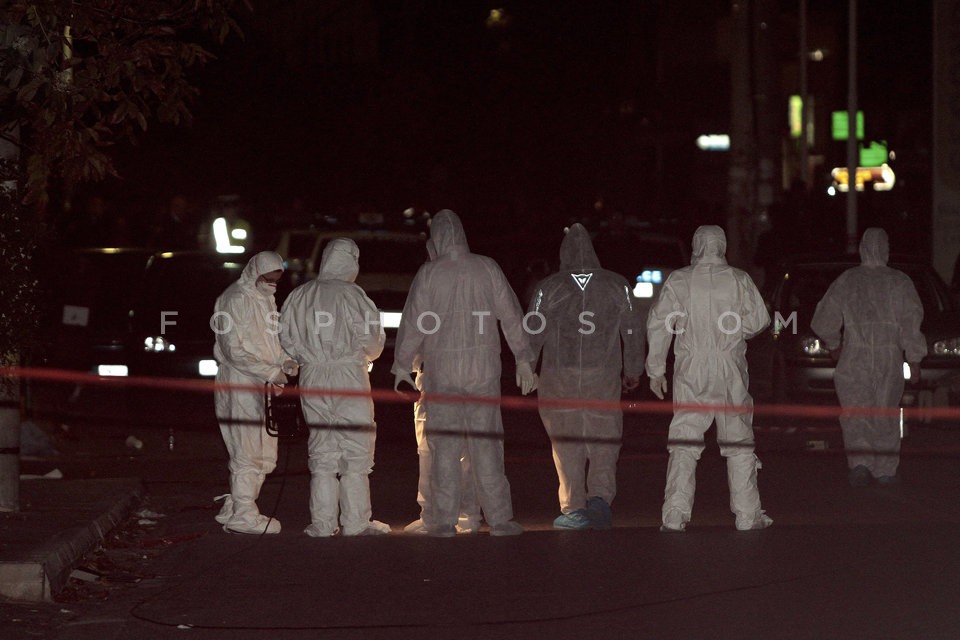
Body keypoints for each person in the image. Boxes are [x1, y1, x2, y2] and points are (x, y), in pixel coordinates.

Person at [391, 209, 538, 537]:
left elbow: (414, 322)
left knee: (444, 448)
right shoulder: (487, 267)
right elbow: (511, 315)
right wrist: (523, 358)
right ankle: (499, 518)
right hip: (482, 372)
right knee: (487, 447)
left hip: (442, 374)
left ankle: (443, 521)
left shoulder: (429, 273)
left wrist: (402, 365)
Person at [646, 225, 772, 532]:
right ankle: (747, 514)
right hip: (729, 366)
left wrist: (656, 368)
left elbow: (659, 323)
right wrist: (735, 333)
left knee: (685, 439)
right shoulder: (739, 279)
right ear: (722, 245)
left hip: (693, 367)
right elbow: (759, 320)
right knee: (738, 439)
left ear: (696, 245)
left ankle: (674, 514)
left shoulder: (680, 279)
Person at [527, 223, 645, 530]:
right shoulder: (617, 285)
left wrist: (526, 365)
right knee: (604, 439)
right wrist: (634, 369)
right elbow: (633, 329)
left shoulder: (548, 287)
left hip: (559, 377)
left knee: (566, 442)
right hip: (602, 376)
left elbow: (533, 330)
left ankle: (574, 507)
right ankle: (600, 501)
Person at [279, 238, 391, 536]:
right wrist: (363, 356)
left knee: (322, 448)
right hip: (348, 376)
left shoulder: (301, 295)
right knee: (355, 448)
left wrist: (303, 358)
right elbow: (372, 339)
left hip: (313, 376)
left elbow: (285, 337)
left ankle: (323, 523)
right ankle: (356, 522)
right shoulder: (353, 295)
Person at [811, 228, 926, 487]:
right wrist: (914, 358)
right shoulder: (899, 282)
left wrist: (834, 345)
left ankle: (860, 464)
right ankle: (885, 469)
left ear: (862, 248)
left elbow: (824, 318)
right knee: (885, 412)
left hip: (854, 356)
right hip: (889, 358)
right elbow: (911, 322)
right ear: (886, 248)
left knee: (855, 412)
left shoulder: (848, 280)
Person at [212, 251, 298, 535]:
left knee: (265, 451)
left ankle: (236, 504)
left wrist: (285, 360)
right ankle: (244, 514)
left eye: (276, 279)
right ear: (254, 273)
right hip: (240, 383)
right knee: (247, 449)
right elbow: (233, 350)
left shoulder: (265, 300)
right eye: (268, 278)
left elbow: (270, 342)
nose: (273, 284)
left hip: (261, 383)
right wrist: (271, 371)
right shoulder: (235, 299)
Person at [402, 239, 481, 536]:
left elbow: (413, 329)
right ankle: (465, 514)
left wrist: (406, 365)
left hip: (437, 378)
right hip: (469, 377)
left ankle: (437, 514)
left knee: (433, 448)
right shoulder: (475, 277)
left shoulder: (428, 280)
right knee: (463, 449)